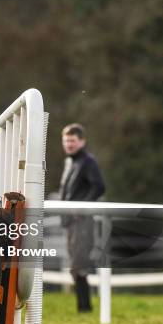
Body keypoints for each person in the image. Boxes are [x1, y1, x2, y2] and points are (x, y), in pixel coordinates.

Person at [59, 123, 105, 312]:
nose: (69, 144)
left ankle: (84, 309)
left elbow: (99, 187)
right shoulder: (71, 161)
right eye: (66, 141)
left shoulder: (88, 161)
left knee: (79, 266)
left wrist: (81, 208)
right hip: (71, 222)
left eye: (73, 141)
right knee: (75, 266)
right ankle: (84, 308)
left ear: (82, 141)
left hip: (82, 221)